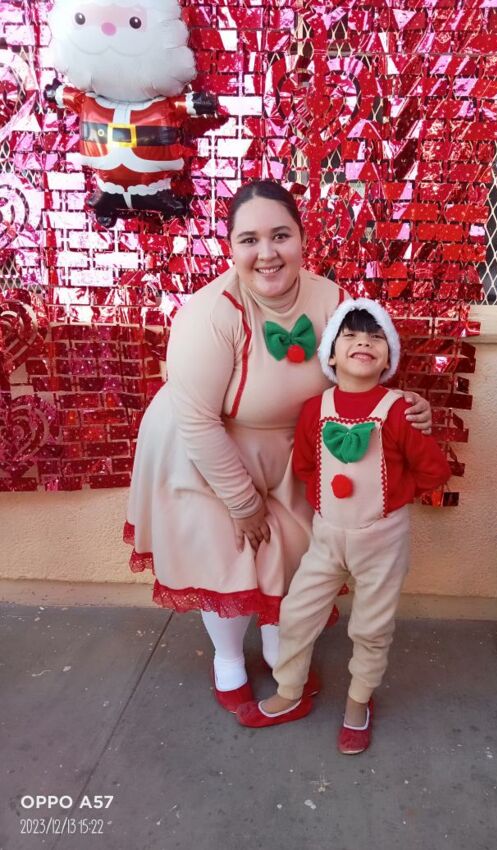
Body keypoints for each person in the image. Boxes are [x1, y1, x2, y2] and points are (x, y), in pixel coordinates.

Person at [124, 181, 433, 713]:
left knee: (289, 552)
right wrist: (242, 502)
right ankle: (227, 659)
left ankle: (278, 647)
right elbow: (197, 420)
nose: (266, 253)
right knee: (225, 555)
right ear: (231, 247)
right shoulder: (208, 313)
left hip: (292, 448)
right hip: (203, 447)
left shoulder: (333, 300)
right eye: (249, 240)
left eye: (280, 235)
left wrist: (404, 403)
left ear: (302, 238)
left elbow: (358, 372)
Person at [236, 299, 451, 754]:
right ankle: (290, 691)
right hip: (328, 536)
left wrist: (391, 498)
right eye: (349, 336)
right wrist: (327, 506)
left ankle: (358, 701)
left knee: (372, 627)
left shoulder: (398, 410)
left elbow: (434, 471)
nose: (362, 343)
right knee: (296, 612)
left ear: (388, 357)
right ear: (331, 355)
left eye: (375, 337)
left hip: (383, 540)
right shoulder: (315, 409)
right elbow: (305, 465)